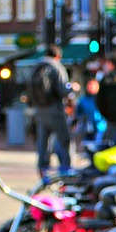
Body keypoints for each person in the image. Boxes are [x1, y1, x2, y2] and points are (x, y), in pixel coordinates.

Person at [27, 45, 73, 177]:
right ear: (58, 56)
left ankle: (42, 169)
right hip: (56, 110)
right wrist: (73, 88)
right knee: (64, 140)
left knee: (43, 142)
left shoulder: (36, 67)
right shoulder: (56, 67)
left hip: (40, 111)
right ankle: (66, 170)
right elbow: (62, 90)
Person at [74, 78, 106, 147]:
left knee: (97, 147)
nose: (91, 87)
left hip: (100, 127)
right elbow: (77, 113)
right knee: (88, 147)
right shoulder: (83, 100)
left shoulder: (102, 98)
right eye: (89, 85)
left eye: (93, 85)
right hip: (87, 128)